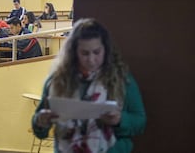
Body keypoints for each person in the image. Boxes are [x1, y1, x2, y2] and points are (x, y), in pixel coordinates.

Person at [32, 18, 146, 153]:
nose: (91, 59)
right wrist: (41, 121)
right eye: (84, 53)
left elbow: (140, 121)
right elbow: (40, 129)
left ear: (106, 49)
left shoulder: (121, 79)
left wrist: (120, 120)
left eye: (97, 52)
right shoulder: (57, 81)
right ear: (74, 53)